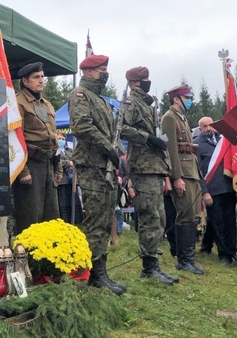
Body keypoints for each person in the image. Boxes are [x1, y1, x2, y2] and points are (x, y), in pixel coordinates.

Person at [68, 54, 126, 295]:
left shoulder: (100, 100)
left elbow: (112, 132)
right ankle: (93, 273)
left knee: (104, 220)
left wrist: (118, 155)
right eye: (101, 69)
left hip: (105, 167)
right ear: (88, 72)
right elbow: (82, 126)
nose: (105, 73)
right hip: (91, 166)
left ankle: (101, 271)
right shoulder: (80, 95)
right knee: (95, 221)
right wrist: (109, 148)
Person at [119, 66, 177, 285]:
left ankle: (154, 263)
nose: (147, 82)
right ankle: (148, 267)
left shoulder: (146, 104)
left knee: (158, 216)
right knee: (149, 215)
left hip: (154, 166)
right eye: (144, 80)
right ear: (135, 83)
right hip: (142, 166)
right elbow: (122, 127)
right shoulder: (131, 103)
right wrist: (147, 138)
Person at [161, 84, 212, 275]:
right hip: (182, 172)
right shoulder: (169, 119)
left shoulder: (181, 118)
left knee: (192, 216)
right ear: (176, 99)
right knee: (185, 215)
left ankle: (189, 258)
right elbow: (170, 149)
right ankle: (184, 260)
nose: (189, 100)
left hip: (191, 171)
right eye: (187, 97)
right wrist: (176, 177)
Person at [13, 62, 62, 235]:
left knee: (52, 217)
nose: (41, 80)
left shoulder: (47, 104)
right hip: (31, 164)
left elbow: (54, 138)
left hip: (48, 163)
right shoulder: (18, 102)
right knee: (30, 218)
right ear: (25, 81)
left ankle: (47, 261)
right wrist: (23, 170)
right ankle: (26, 259)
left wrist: (58, 166)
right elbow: (13, 138)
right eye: (36, 77)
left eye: (42, 76)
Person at [195, 116, 237, 267]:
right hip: (212, 190)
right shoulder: (198, 144)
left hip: (228, 188)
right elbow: (198, 171)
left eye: (211, 125)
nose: (208, 128)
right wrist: (204, 192)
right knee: (218, 222)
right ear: (200, 129)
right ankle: (223, 254)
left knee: (230, 222)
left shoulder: (224, 141)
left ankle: (232, 253)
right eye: (204, 126)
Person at [56, 133, 83, 225]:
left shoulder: (69, 151)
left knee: (72, 201)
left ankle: (75, 222)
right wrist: (68, 163)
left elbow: (76, 160)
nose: (61, 140)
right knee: (63, 203)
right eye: (59, 138)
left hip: (71, 180)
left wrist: (73, 164)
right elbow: (56, 161)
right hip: (61, 181)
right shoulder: (54, 150)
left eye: (63, 139)